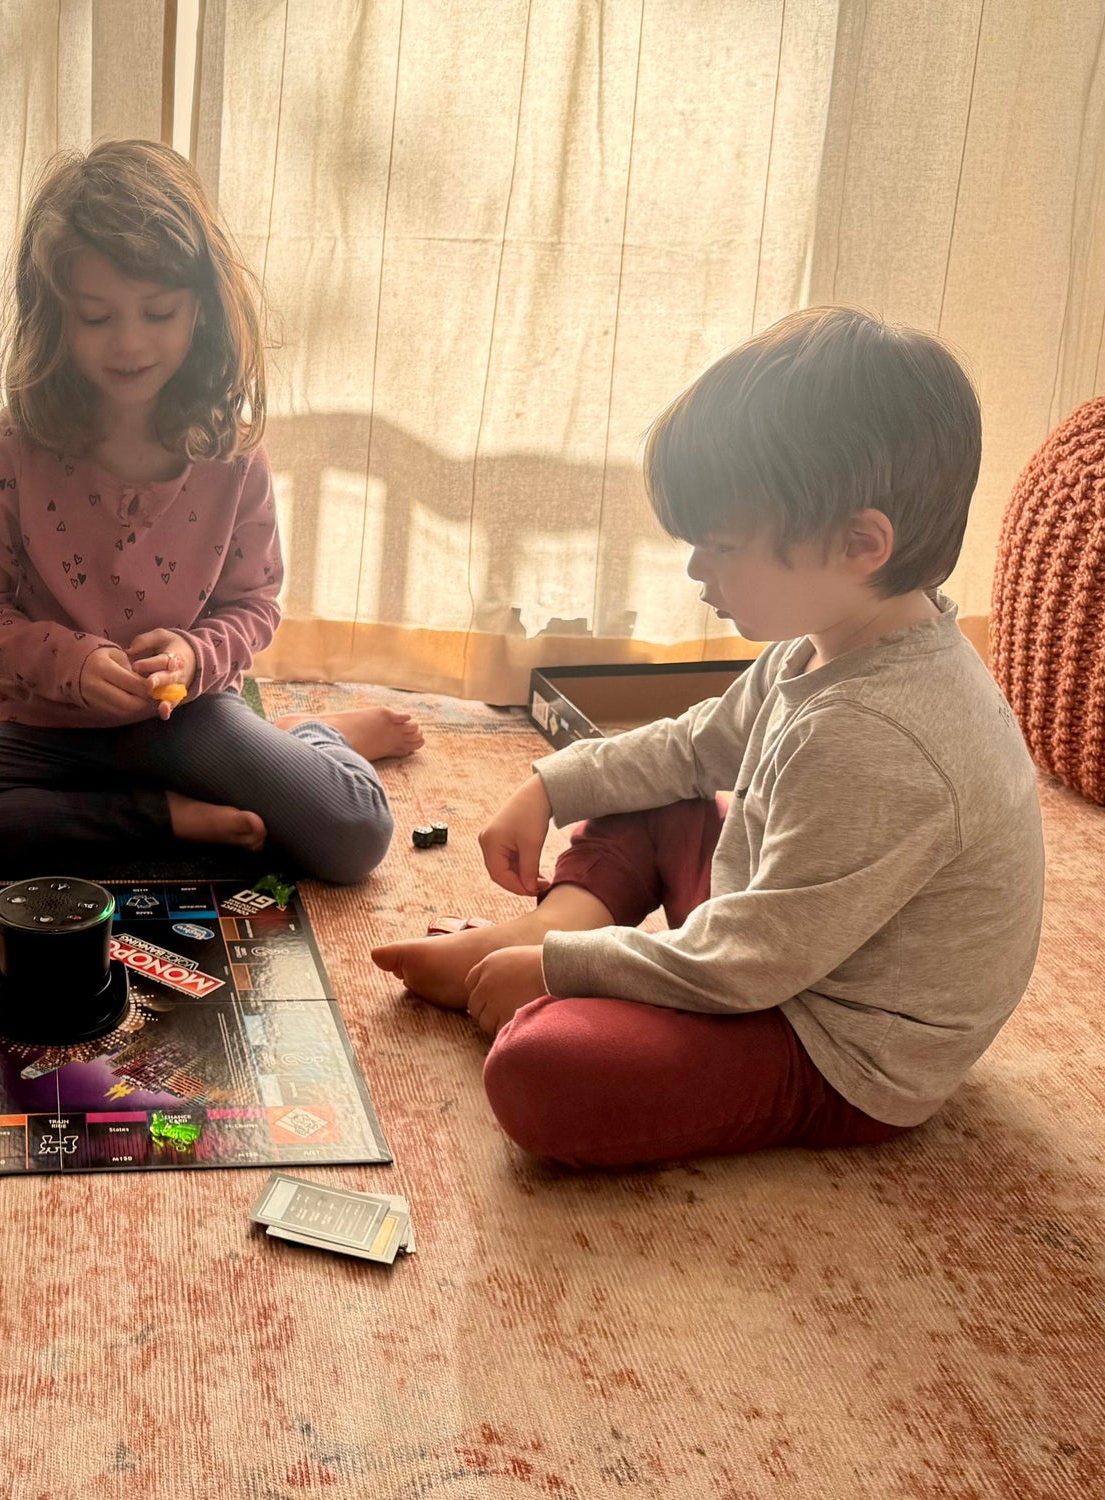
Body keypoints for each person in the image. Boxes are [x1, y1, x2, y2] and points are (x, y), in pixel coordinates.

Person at [373, 307, 1044, 1168]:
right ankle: (538, 936)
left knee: (543, 1071)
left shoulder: (877, 738)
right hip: (783, 944)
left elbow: (746, 966)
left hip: (831, 1042)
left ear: (860, 544)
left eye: (720, 546)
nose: (697, 573)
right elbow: (692, 748)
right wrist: (548, 786)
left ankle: (540, 951)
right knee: (650, 796)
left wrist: (563, 973)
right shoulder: (826, 641)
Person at [0, 139, 420, 885]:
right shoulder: (13, 450)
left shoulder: (232, 449)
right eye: (96, 318)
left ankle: (311, 738)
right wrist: (71, 661)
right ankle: (167, 813)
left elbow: (253, 604)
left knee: (355, 834)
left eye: (158, 312)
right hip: (45, 730)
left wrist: (194, 656)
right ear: (54, 316)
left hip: (187, 722)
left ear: (202, 308)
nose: (129, 343)